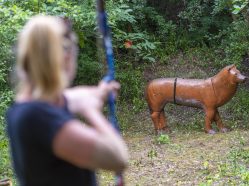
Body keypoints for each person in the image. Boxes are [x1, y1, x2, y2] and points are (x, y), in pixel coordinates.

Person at [6, 15, 128, 186]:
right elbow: (118, 157)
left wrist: (101, 92)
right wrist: (90, 111)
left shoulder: (23, 108)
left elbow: (74, 96)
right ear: (65, 57)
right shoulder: (38, 117)